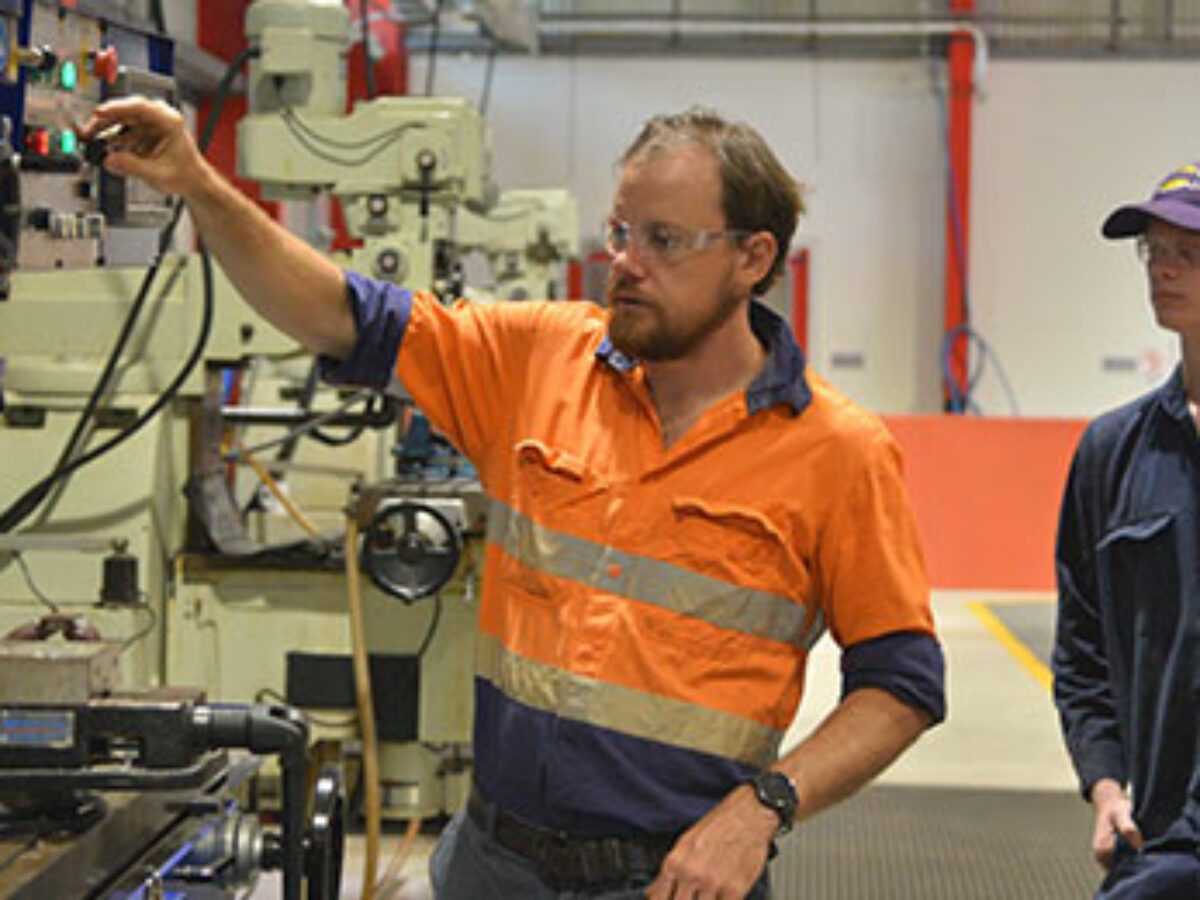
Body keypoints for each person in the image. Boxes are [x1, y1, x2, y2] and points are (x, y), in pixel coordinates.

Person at [84, 98, 945, 899]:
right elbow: (340, 315)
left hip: (674, 878)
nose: (626, 262)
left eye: (664, 240)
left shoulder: (838, 452)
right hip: (492, 866)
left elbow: (901, 685)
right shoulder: (541, 361)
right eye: (620, 231)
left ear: (752, 258)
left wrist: (763, 808)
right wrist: (198, 184)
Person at [1054, 162, 1200, 900]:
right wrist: (1106, 785)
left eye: (1189, 254)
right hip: (1163, 838)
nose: (1163, 271)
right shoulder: (1112, 453)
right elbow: (1081, 649)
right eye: (1155, 252)